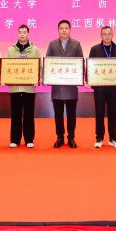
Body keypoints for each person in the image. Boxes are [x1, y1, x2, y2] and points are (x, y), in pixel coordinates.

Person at [46, 19, 83, 148]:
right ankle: (60, 137)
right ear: (58, 30)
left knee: (71, 114)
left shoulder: (76, 44)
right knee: (58, 114)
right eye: (61, 28)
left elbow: (81, 63)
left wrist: (79, 78)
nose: (64, 30)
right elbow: (48, 63)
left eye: (66, 28)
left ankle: (71, 137)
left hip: (71, 87)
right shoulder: (52, 44)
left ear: (70, 30)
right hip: (57, 87)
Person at [5, 25, 41, 148]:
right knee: (15, 114)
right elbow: (6, 67)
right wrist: (6, 78)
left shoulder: (35, 49)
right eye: (20, 32)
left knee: (29, 114)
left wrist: (37, 78)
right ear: (17, 34)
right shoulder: (11, 50)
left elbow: (39, 67)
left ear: (28, 34)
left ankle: (29, 139)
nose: (22, 34)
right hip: (15, 88)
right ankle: (15, 139)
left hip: (29, 88)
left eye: (24, 32)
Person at [88, 26, 116, 148]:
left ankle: (113, 138)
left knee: (113, 113)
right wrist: (89, 80)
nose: (107, 36)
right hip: (99, 88)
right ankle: (99, 138)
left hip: (114, 87)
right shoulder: (94, 49)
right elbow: (90, 66)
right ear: (101, 35)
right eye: (104, 34)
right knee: (99, 112)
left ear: (112, 35)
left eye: (109, 34)